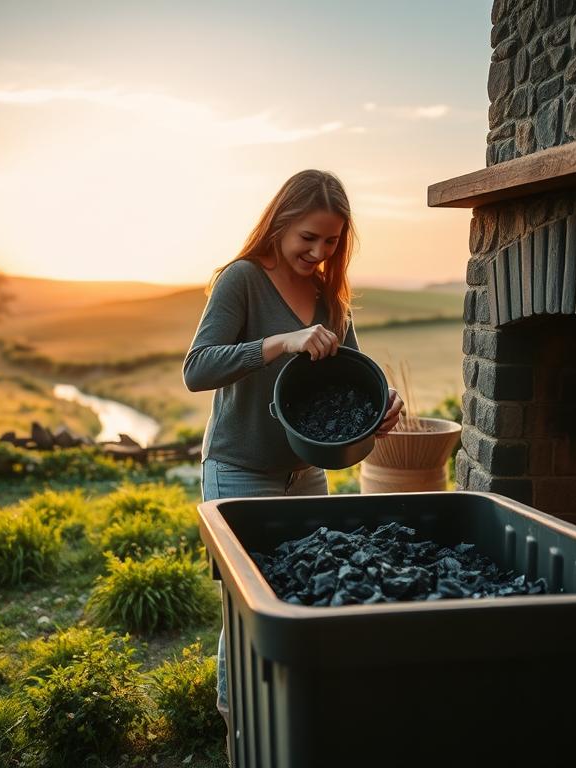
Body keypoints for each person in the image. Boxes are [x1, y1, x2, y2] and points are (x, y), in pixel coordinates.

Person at [182, 169, 404, 739]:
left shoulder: (331, 299)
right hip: (239, 470)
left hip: (306, 475)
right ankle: (242, 731)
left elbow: (355, 381)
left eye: (331, 241)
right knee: (249, 609)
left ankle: (294, 724)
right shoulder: (242, 281)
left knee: (304, 592)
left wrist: (379, 410)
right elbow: (197, 368)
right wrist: (282, 342)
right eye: (309, 237)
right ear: (280, 223)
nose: (319, 251)